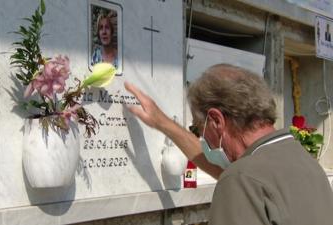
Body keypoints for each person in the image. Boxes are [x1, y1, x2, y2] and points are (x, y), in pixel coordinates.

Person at [124, 64, 333, 225]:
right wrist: (163, 123)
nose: (203, 139)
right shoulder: (300, 159)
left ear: (216, 120)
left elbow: (235, 176)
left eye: (199, 128)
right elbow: (221, 167)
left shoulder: (242, 179)